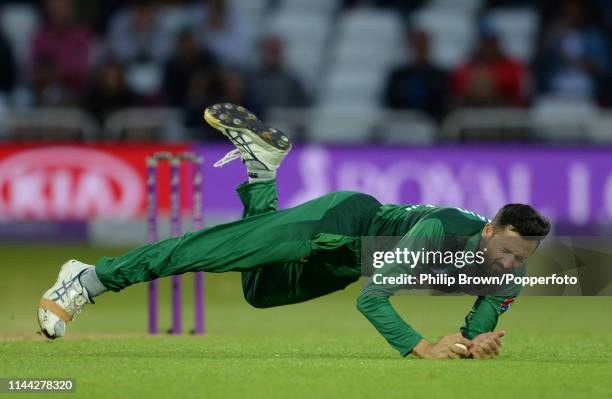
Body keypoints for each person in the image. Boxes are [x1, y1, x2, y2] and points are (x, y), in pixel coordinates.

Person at [37, 103, 550, 360]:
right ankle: (86, 281)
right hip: (338, 223)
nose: (508, 264)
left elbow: (472, 329)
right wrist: (421, 347)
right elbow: (373, 300)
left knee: (261, 292)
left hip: (345, 261)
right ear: (488, 231)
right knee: (204, 251)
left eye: (520, 259)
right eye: (504, 251)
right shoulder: (438, 232)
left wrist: (472, 343)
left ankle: (260, 171)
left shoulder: (510, 274)